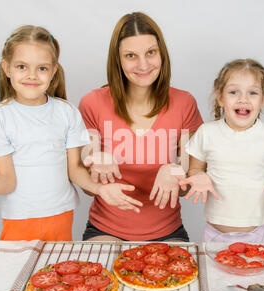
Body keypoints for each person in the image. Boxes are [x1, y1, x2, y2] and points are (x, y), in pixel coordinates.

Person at [0, 25, 137, 241]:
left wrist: (100, 189)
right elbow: (6, 181)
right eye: (22, 67)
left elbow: (74, 170)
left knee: (55, 272)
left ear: (53, 71)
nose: (32, 76)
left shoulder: (66, 112)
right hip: (19, 219)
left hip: (61, 215)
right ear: (7, 68)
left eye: (42, 68)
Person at [78, 12, 204, 242]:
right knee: (99, 276)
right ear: (118, 60)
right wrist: (97, 165)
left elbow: (190, 181)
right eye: (130, 55)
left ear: (161, 54)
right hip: (105, 230)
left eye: (150, 53)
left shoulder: (185, 103)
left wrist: (175, 171)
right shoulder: (92, 103)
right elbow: (87, 186)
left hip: (168, 232)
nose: (143, 64)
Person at [181, 58, 264, 243]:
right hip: (214, 234)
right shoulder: (207, 133)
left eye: (252, 93)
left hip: (256, 235)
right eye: (233, 92)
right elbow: (194, 169)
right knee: (214, 272)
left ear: (263, 100)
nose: (243, 99)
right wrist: (198, 176)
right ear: (221, 98)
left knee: (256, 273)